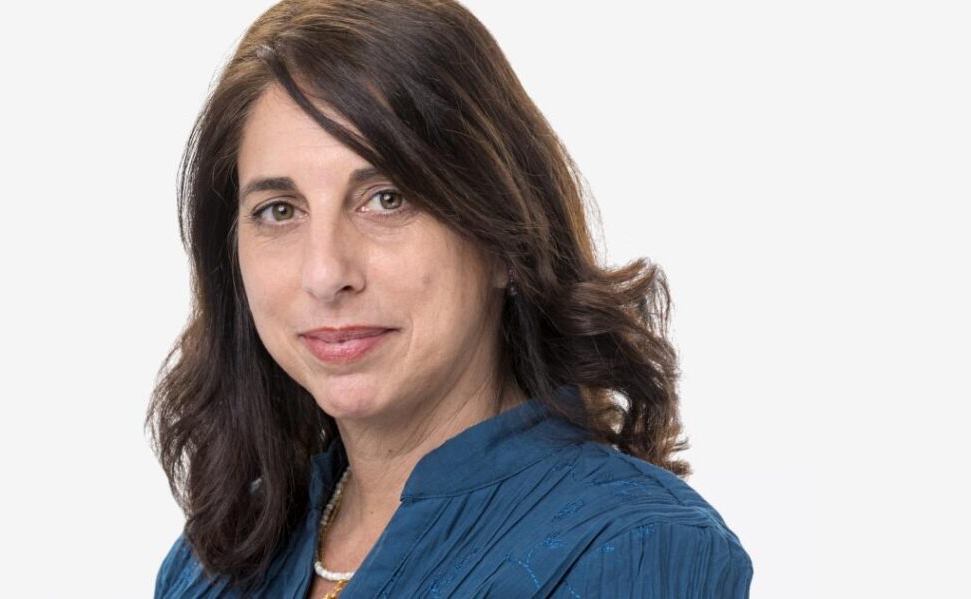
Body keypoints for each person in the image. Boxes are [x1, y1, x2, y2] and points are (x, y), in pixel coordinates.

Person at [148, 0, 753, 597]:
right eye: (279, 211)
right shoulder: (214, 561)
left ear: (503, 238)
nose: (326, 272)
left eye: (387, 198)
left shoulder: (634, 549)